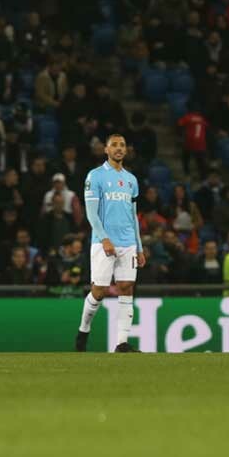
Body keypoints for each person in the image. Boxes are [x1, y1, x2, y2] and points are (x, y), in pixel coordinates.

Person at [75, 134, 145, 353]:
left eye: (122, 145)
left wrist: (139, 247)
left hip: (128, 243)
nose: (119, 148)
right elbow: (91, 213)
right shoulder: (95, 176)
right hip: (103, 241)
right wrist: (104, 238)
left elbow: (133, 216)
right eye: (114, 145)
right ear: (105, 149)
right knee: (99, 290)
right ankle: (84, 329)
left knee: (126, 287)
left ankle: (122, 343)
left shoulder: (131, 180)